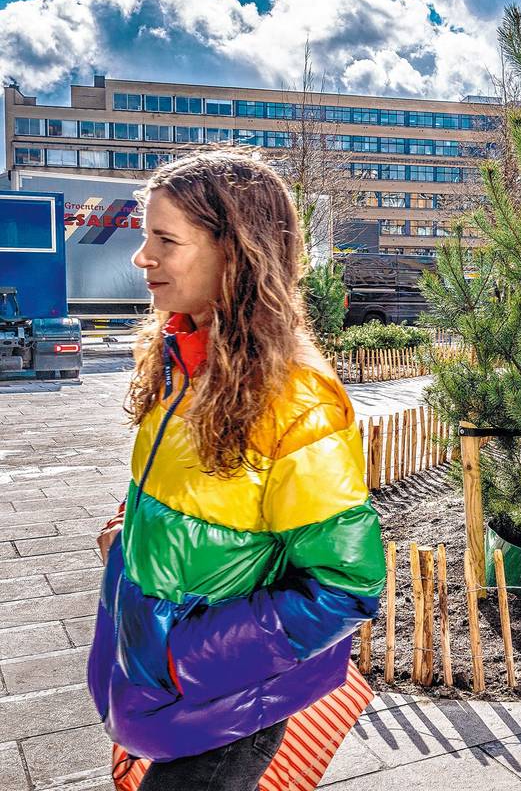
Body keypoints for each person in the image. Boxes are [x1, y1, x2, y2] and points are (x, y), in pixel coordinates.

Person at [87, 151, 386, 790]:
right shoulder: (184, 357)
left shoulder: (294, 397)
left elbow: (346, 583)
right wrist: (131, 533)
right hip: (165, 689)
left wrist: (184, 658)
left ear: (237, 254)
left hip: (223, 710)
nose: (142, 258)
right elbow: (186, 494)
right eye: (147, 237)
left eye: (165, 240)